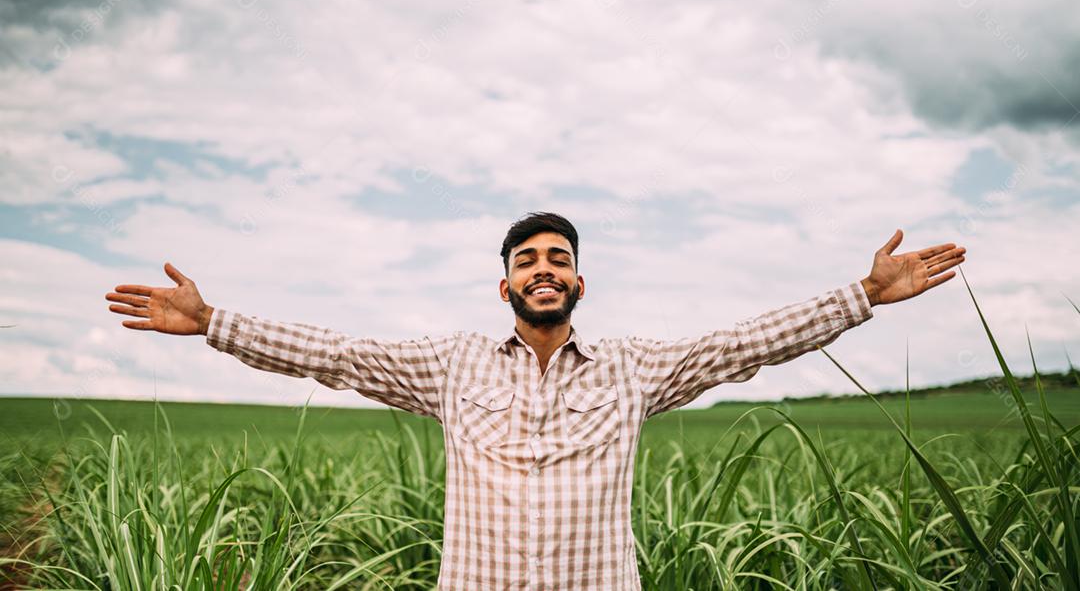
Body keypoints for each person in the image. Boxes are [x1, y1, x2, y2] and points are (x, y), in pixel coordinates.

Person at [104, 212, 966, 590]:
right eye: (527, 260)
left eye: (557, 257)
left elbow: (745, 344)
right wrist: (214, 321)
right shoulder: (451, 366)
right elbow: (333, 355)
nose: (543, 268)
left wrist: (861, 293)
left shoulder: (634, 369)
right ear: (505, 284)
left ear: (579, 279)